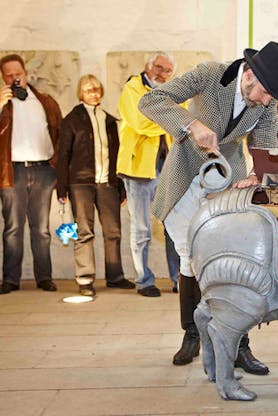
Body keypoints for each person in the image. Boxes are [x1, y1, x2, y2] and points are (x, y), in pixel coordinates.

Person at [139, 41, 278, 372]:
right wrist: (190, 124)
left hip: (228, 181)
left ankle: (240, 344)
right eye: (267, 93)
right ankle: (192, 335)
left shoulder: (266, 102)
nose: (269, 103)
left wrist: (258, 174)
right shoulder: (212, 74)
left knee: (232, 261)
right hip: (186, 178)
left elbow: (265, 146)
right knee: (189, 257)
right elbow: (151, 100)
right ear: (250, 75)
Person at [56, 74, 134, 296]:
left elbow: (117, 156)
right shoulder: (72, 120)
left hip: (107, 184)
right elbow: (63, 155)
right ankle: (85, 278)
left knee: (113, 231)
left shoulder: (109, 120)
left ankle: (115, 276)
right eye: (89, 89)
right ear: (81, 92)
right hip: (80, 184)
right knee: (84, 231)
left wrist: (121, 187)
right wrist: (61, 188)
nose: (94, 93)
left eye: (97, 88)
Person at [116, 52, 180, 297]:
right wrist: (172, 120)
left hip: (170, 167)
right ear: (148, 65)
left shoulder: (172, 90)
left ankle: (178, 279)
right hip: (139, 169)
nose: (161, 74)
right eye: (159, 67)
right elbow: (140, 122)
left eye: (167, 71)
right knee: (141, 228)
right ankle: (144, 280)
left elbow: (185, 114)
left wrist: (173, 119)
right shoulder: (132, 88)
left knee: (174, 227)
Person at [0, 54, 61, 294]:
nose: (15, 78)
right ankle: (10, 279)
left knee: (42, 229)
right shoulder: (4, 103)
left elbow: (59, 133)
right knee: (13, 228)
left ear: (26, 73)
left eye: (18, 73)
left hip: (44, 170)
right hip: (11, 172)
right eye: (9, 75)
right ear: (3, 77)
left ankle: (44, 277)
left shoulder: (44, 101)